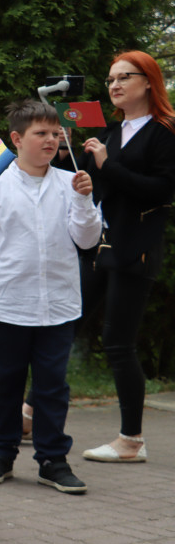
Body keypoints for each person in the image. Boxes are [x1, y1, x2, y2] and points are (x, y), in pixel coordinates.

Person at [0, 100, 100, 493]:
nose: (51, 140)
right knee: (1, 383)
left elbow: (87, 239)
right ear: (16, 139)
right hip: (8, 304)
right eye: (40, 133)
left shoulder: (70, 182)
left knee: (52, 385)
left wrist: (83, 200)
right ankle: (1, 453)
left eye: (56, 133)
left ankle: (52, 460)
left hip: (58, 306)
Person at [79, 51, 175, 464]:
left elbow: (161, 190)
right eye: (110, 79)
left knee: (118, 344)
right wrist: (84, 165)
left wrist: (106, 164)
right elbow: (103, 181)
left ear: (148, 82)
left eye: (124, 77)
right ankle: (29, 414)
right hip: (102, 245)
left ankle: (131, 441)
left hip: (136, 248)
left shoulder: (164, 131)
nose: (115, 85)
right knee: (65, 322)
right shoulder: (114, 131)